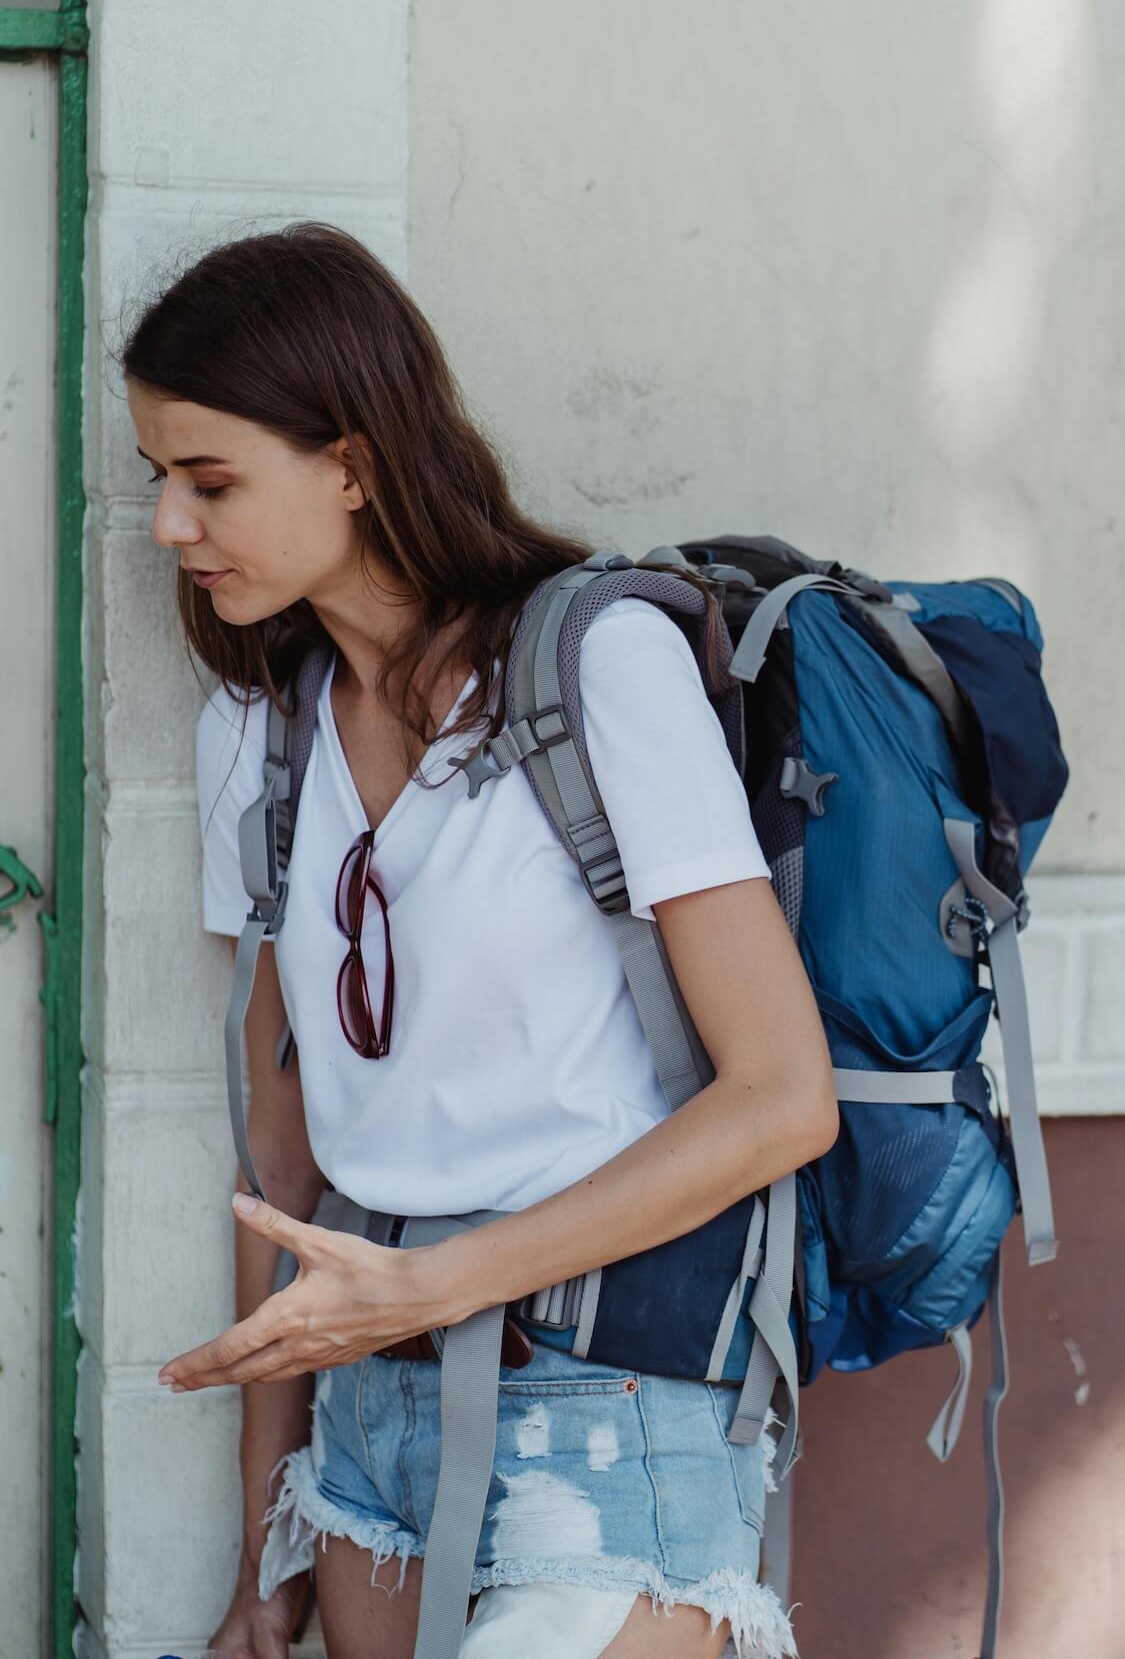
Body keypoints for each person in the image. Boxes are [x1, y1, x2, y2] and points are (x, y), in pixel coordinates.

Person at [124, 222, 839, 1659]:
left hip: (611, 1396)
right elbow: (283, 1171)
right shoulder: (257, 738)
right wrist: (273, 1536)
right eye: (160, 483)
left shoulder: (593, 668)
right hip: (371, 1424)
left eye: (210, 483)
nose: (169, 528)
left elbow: (782, 1098)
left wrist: (443, 1280)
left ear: (352, 463)